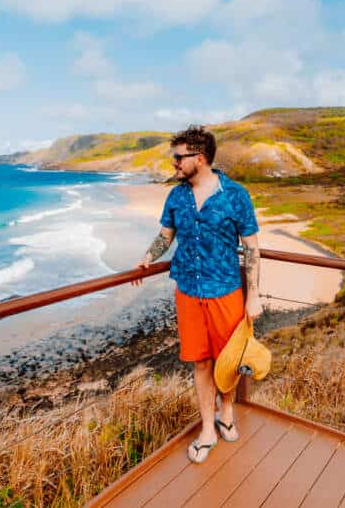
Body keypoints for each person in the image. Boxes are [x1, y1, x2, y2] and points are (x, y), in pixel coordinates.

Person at [136, 124, 263, 463]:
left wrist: (254, 296)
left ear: (200, 158)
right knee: (201, 362)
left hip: (226, 290)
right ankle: (208, 427)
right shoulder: (176, 195)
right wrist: (149, 256)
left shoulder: (236, 195)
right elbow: (166, 234)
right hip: (188, 291)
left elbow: (252, 249)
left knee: (229, 360)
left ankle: (227, 410)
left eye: (179, 157)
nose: (174, 164)